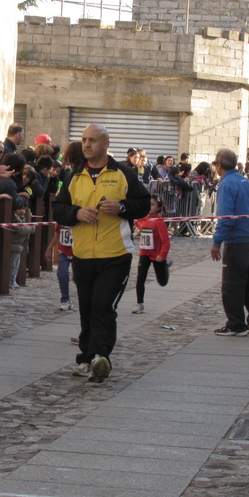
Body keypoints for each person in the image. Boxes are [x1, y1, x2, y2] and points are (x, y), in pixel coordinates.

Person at [53, 123, 150, 383]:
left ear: (106, 144)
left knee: (103, 306)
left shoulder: (123, 173)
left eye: (93, 140)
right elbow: (58, 209)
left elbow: (143, 204)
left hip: (115, 254)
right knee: (87, 308)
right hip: (83, 255)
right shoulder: (74, 176)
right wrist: (76, 213)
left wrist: (121, 207)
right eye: (84, 140)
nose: (87, 145)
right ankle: (87, 357)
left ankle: (99, 357)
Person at [210, 148, 249, 336]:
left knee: (232, 284)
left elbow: (226, 216)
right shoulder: (245, 181)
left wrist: (217, 241)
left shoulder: (226, 185)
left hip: (236, 241)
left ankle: (236, 324)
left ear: (219, 165)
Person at [133, 194, 171, 314]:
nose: (150, 206)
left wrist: (162, 255)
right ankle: (140, 303)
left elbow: (166, 241)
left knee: (162, 282)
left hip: (157, 255)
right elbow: (140, 225)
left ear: (158, 208)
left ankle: (166, 265)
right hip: (144, 253)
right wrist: (136, 222)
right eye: (149, 203)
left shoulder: (159, 222)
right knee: (140, 278)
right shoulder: (144, 219)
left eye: (153, 204)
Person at [44, 221, 74, 311]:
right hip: (63, 251)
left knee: (79, 278)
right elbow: (56, 236)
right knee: (62, 274)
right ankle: (65, 299)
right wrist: (49, 249)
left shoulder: (79, 219)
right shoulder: (61, 221)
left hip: (78, 252)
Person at [10, 205, 35, 289]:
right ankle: (11, 281)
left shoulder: (22, 218)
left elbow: (32, 229)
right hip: (13, 244)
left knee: (16, 264)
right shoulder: (14, 219)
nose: (22, 211)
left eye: (24, 209)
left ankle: (13, 280)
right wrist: (28, 227)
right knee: (13, 264)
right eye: (20, 208)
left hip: (19, 244)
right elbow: (21, 230)